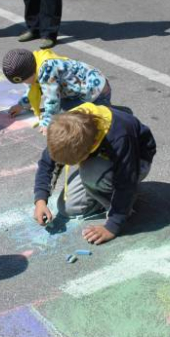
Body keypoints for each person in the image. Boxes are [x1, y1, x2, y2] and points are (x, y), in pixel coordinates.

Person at [33, 103, 156, 245]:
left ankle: (120, 205)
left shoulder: (120, 136)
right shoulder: (64, 127)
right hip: (102, 161)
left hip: (137, 162)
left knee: (91, 173)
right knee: (68, 208)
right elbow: (47, 164)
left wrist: (112, 227)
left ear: (89, 149)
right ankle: (106, 190)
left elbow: (126, 180)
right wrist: (41, 200)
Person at [3, 48, 111, 133]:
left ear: (30, 73)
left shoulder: (47, 71)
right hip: (88, 87)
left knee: (84, 124)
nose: (25, 83)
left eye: (24, 81)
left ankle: (116, 113)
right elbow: (34, 89)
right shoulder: (36, 62)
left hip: (96, 92)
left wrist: (47, 122)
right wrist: (21, 105)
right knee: (64, 110)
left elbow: (52, 100)